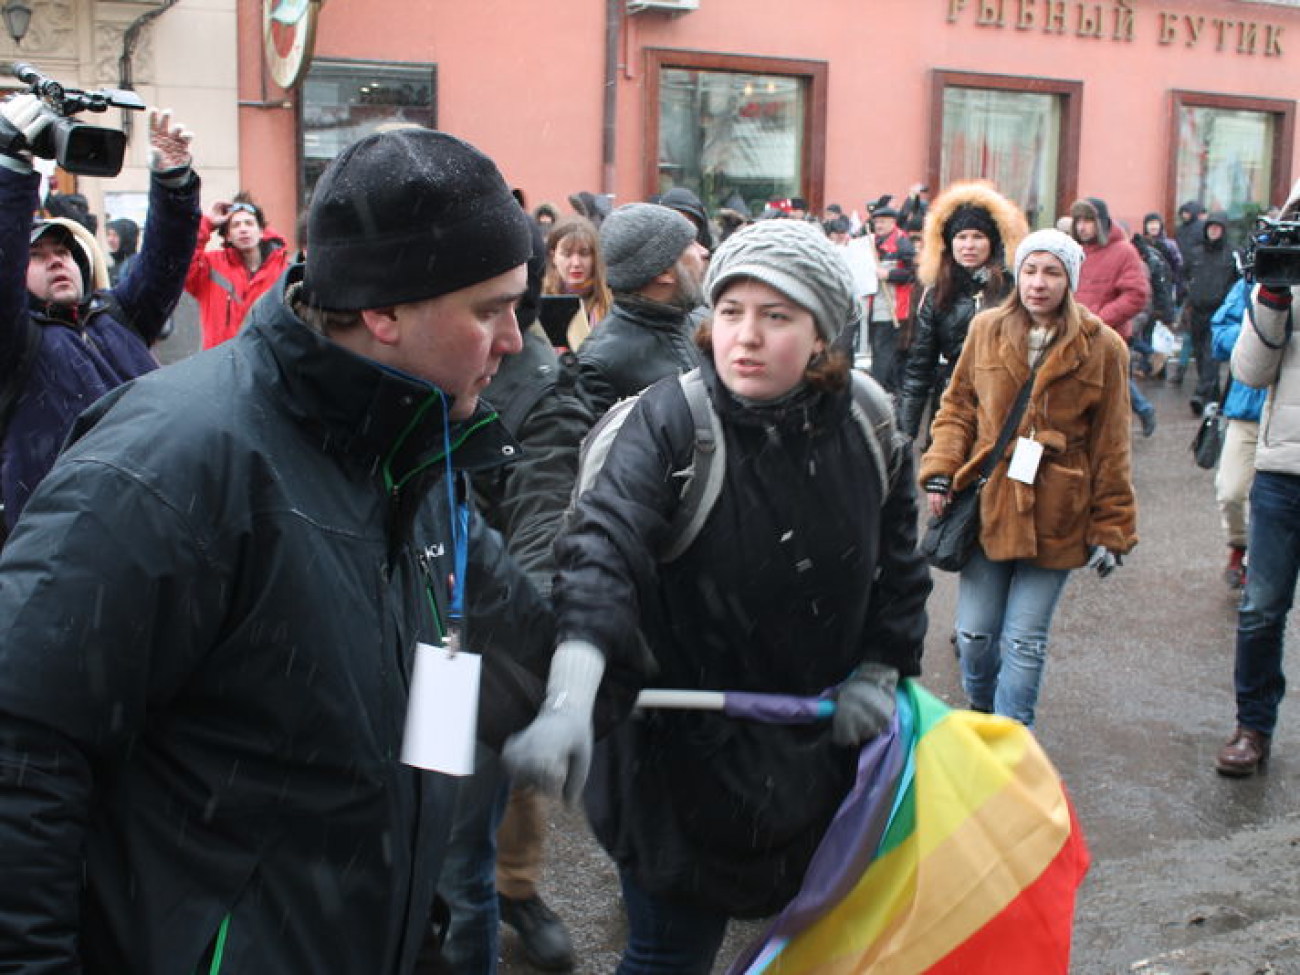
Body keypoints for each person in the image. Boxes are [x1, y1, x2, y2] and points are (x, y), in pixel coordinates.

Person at [0, 127, 556, 973]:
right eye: (491, 309)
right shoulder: (172, 460)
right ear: (384, 311)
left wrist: (423, 919)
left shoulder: (420, 446)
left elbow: (456, 669)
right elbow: (22, 749)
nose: (515, 339)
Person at [504, 219, 930, 973]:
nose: (747, 336)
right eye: (731, 311)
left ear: (826, 332)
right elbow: (600, 552)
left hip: (812, 748)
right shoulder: (669, 423)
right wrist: (570, 696)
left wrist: (881, 666)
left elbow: (899, 564)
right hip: (675, 763)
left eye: (778, 316)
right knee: (668, 956)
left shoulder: (869, 418)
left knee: (810, 947)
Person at [438, 224, 590, 974]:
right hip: (435, 645)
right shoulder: (431, 365)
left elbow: (543, 533)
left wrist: (532, 662)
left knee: (466, 853)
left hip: (479, 651)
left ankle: (511, 900)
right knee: (440, 834)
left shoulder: (540, 394)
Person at [919, 229, 1138, 727]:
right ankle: (981, 711)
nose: (1039, 283)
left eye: (1053, 272)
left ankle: (1011, 741)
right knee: (974, 634)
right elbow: (957, 409)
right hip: (990, 499)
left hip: (1059, 508)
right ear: (1018, 273)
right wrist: (940, 472)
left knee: (1024, 638)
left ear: (1070, 280)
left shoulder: (1103, 347)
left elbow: (1112, 445)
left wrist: (1112, 528)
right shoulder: (987, 328)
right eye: (1031, 270)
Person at [0, 96, 200, 534]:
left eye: (63, 252)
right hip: (70, 541)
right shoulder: (15, 341)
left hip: (162, 518)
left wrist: (173, 181)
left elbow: (165, 259)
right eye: (37, 255)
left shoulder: (118, 316)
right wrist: (11, 168)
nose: (57, 261)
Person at [1215, 183, 1300, 777]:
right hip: (1283, 472)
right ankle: (1252, 727)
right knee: (1262, 608)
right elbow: (1249, 369)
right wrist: (1272, 290)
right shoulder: (1286, 271)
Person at [898, 180, 1027, 442]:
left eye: (978, 237)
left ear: (992, 243)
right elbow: (919, 369)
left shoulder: (1015, 289)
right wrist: (903, 437)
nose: (969, 245)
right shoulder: (936, 292)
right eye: (961, 237)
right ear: (949, 242)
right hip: (952, 407)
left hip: (1006, 407)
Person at [573, 202, 709, 419]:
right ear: (665, 271)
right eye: (690, 244)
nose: (704, 251)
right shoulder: (600, 364)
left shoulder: (707, 323)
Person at [1070, 196, 1157, 436]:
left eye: (1088, 220)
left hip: (1108, 338)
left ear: (1102, 222)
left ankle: (1140, 415)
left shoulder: (1124, 252)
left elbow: (1137, 294)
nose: (1082, 227)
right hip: (1072, 336)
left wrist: (1099, 320)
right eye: (1079, 220)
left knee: (1111, 400)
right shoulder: (1075, 251)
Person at [1209, 278, 1265, 592]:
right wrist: (1260, 331)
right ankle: (1239, 546)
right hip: (1247, 409)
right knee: (1230, 490)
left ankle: (1261, 563)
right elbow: (1219, 336)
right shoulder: (1253, 281)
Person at [185, 191, 290, 348]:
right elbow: (181, 264)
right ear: (227, 236)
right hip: (221, 364)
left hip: (267, 364)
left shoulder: (283, 269)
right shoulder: (210, 266)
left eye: (249, 223)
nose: (243, 229)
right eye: (236, 225)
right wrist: (208, 223)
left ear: (262, 232)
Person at [1183, 211, 1239, 415]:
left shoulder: (1231, 254)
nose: (1213, 231)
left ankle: (1200, 393)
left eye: (1217, 228)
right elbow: (1186, 275)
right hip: (1197, 310)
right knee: (1199, 354)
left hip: (1219, 310)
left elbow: (1237, 281)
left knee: (1211, 355)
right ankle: (1212, 398)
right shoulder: (1196, 253)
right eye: (1210, 227)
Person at [542, 215, 612, 351]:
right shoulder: (539, 302)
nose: (576, 263)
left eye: (584, 253)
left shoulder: (611, 304)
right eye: (567, 254)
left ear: (595, 257)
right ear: (553, 257)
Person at [866, 203, 916, 392]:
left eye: (882, 222)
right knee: (878, 350)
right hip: (875, 305)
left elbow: (914, 273)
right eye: (876, 221)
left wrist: (890, 275)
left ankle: (883, 390)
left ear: (893, 222)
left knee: (885, 351)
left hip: (893, 307)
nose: (878, 225)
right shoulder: (873, 242)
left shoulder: (902, 242)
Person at [105, 216, 140, 285]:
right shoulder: (116, 264)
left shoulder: (133, 267)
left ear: (127, 238)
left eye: (115, 235)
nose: (110, 240)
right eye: (108, 234)